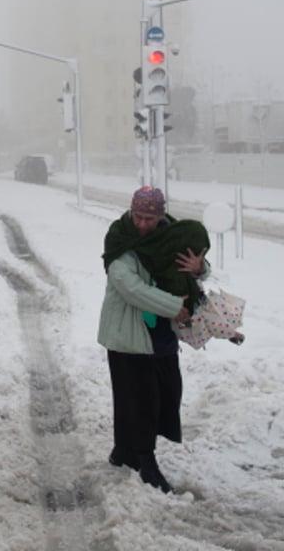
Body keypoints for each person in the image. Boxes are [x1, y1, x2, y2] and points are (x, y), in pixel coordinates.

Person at [97, 186, 207, 494]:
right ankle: (145, 461)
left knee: (167, 391)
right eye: (139, 217)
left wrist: (199, 268)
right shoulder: (121, 241)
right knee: (140, 400)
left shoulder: (170, 236)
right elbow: (131, 288)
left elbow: (191, 264)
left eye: (150, 218)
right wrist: (177, 307)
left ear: (160, 216)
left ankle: (123, 451)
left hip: (160, 332)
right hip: (127, 334)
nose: (143, 224)